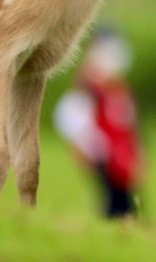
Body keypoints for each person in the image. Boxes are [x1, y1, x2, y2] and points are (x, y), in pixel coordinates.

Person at [54, 27, 144, 219]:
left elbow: (128, 124)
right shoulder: (87, 94)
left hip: (119, 156)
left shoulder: (117, 93)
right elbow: (73, 124)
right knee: (111, 201)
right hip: (103, 154)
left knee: (126, 201)